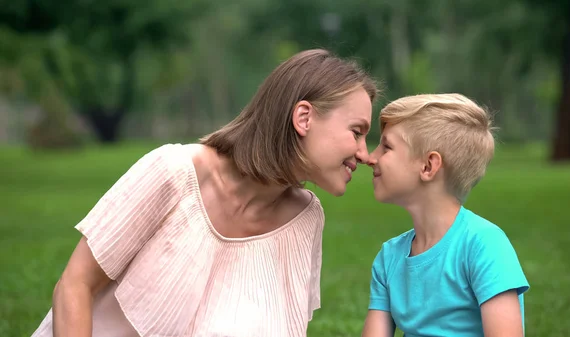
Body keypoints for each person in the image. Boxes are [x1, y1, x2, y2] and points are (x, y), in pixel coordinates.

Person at [31, 48, 379, 337]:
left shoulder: (305, 218)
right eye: (357, 131)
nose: (365, 153)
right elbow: (74, 287)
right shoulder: (173, 172)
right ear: (304, 118)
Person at [361, 94, 530, 337]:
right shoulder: (389, 258)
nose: (370, 157)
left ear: (428, 166)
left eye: (386, 146)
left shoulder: (484, 245)